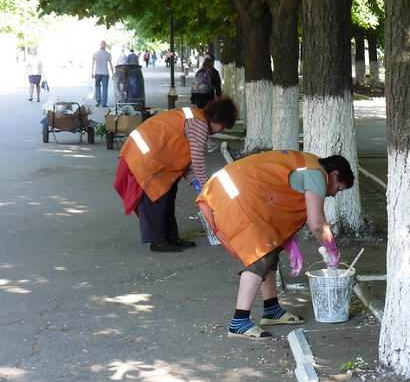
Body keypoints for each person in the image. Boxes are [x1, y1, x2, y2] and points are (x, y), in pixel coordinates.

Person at [196, 151, 355, 340]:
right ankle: (238, 322)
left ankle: (271, 310)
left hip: (236, 191)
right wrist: (331, 249)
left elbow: (278, 196)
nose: (335, 194)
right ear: (334, 175)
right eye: (339, 188)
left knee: (270, 247)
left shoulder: (310, 162)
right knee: (258, 255)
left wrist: (288, 243)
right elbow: (317, 223)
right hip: (235, 195)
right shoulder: (316, 174)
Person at [114, 96, 238, 253]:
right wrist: (208, 190)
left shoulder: (196, 117)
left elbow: (182, 158)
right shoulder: (200, 126)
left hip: (153, 155)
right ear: (218, 120)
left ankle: (171, 237)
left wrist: (196, 182)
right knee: (158, 196)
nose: (221, 131)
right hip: (147, 157)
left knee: (169, 192)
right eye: (224, 127)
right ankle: (158, 242)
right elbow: (198, 160)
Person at [91, 41, 115, 107]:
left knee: (97, 86)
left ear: (100, 45)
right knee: (105, 88)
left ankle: (98, 101)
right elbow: (110, 64)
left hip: (97, 73)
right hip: (105, 73)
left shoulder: (95, 54)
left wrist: (92, 72)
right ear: (105, 46)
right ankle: (104, 103)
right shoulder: (108, 54)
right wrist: (113, 73)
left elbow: (93, 63)